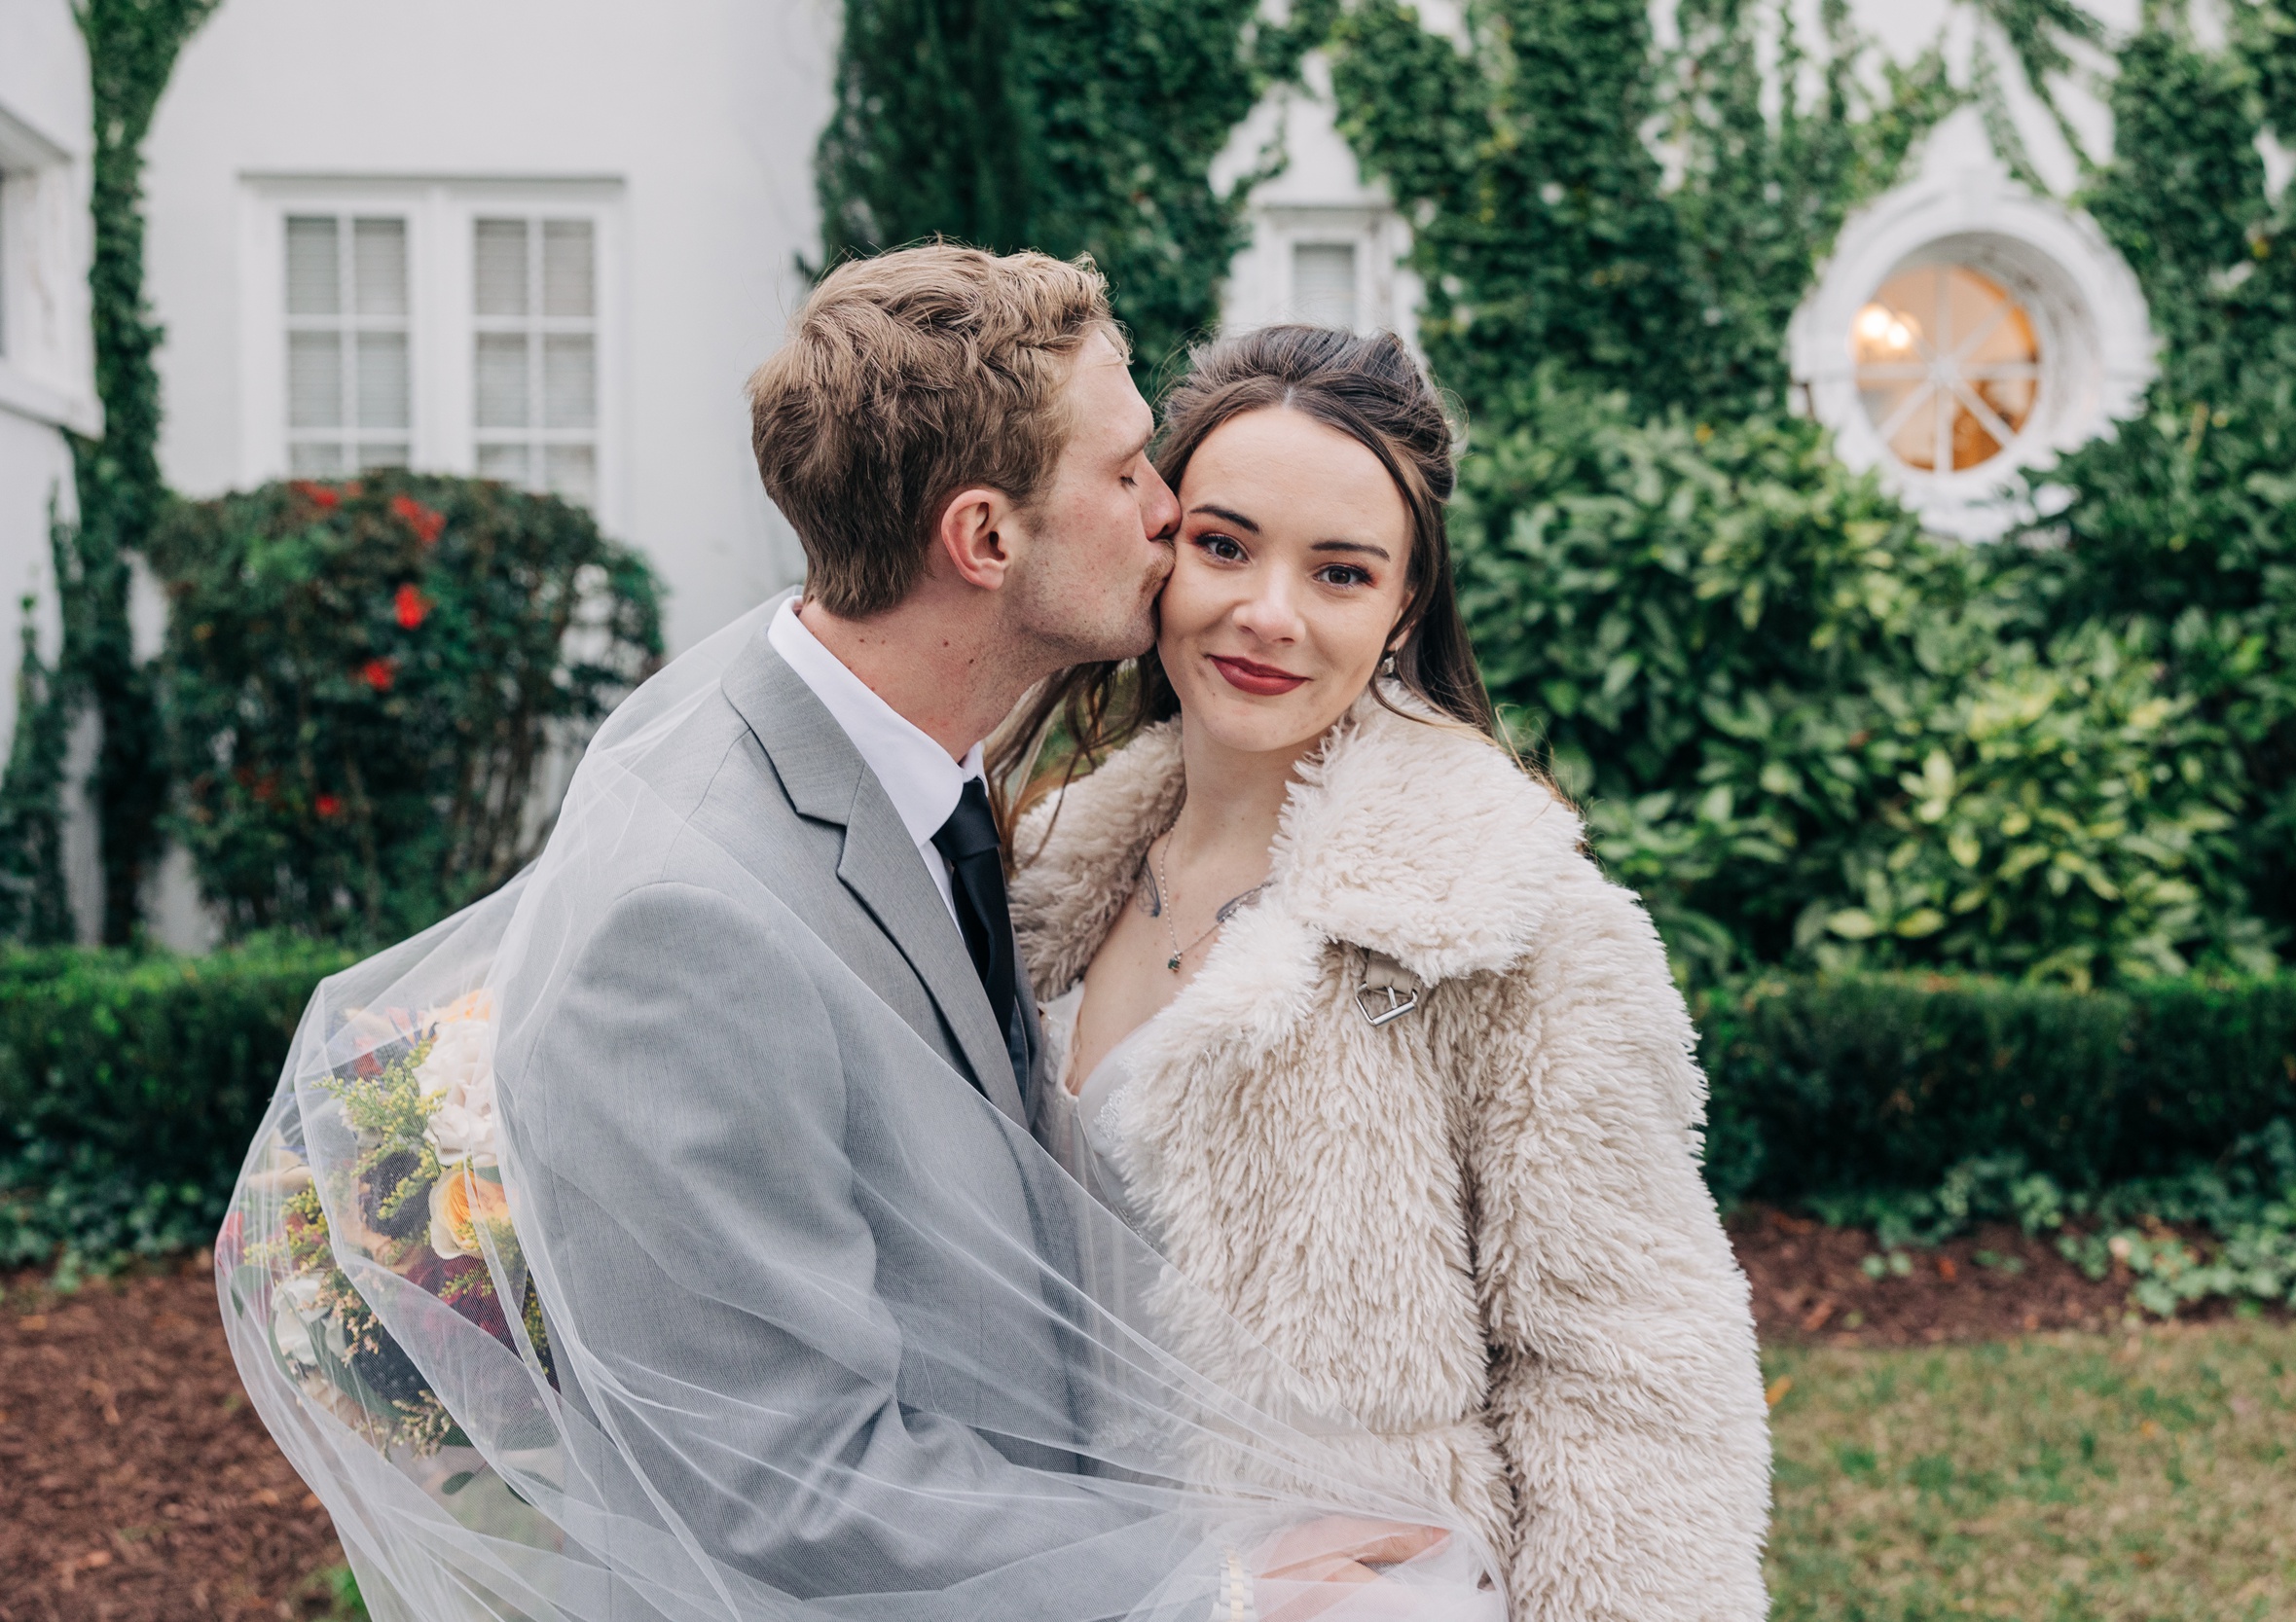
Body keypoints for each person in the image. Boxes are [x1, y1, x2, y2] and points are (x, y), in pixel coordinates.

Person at [220, 248, 1500, 1622]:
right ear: (987, 541)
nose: (1167, 507)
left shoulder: (885, 734)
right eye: (1126, 472)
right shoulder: (689, 922)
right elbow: (773, 1470)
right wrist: (1216, 1583)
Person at [1002, 325, 1773, 1622]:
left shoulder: (1510, 928)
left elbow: (1635, 1389)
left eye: (1342, 572)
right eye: (1225, 545)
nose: (1268, 614)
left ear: (1404, 606)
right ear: (1158, 545)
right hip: (1082, 1583)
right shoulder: (1039, 877)